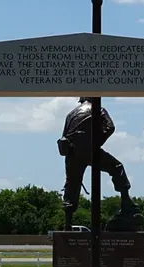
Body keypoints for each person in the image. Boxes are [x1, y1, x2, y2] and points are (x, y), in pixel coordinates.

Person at [58, 98, 139, 230]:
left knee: (72, 183)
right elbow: (110, 127)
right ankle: (126, 201)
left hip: (72, 152)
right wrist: (97, 142)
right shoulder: (98, 109)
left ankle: (67, 223)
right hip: (89, 149)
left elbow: (64, 136)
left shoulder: (71, 114)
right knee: (117, 167)